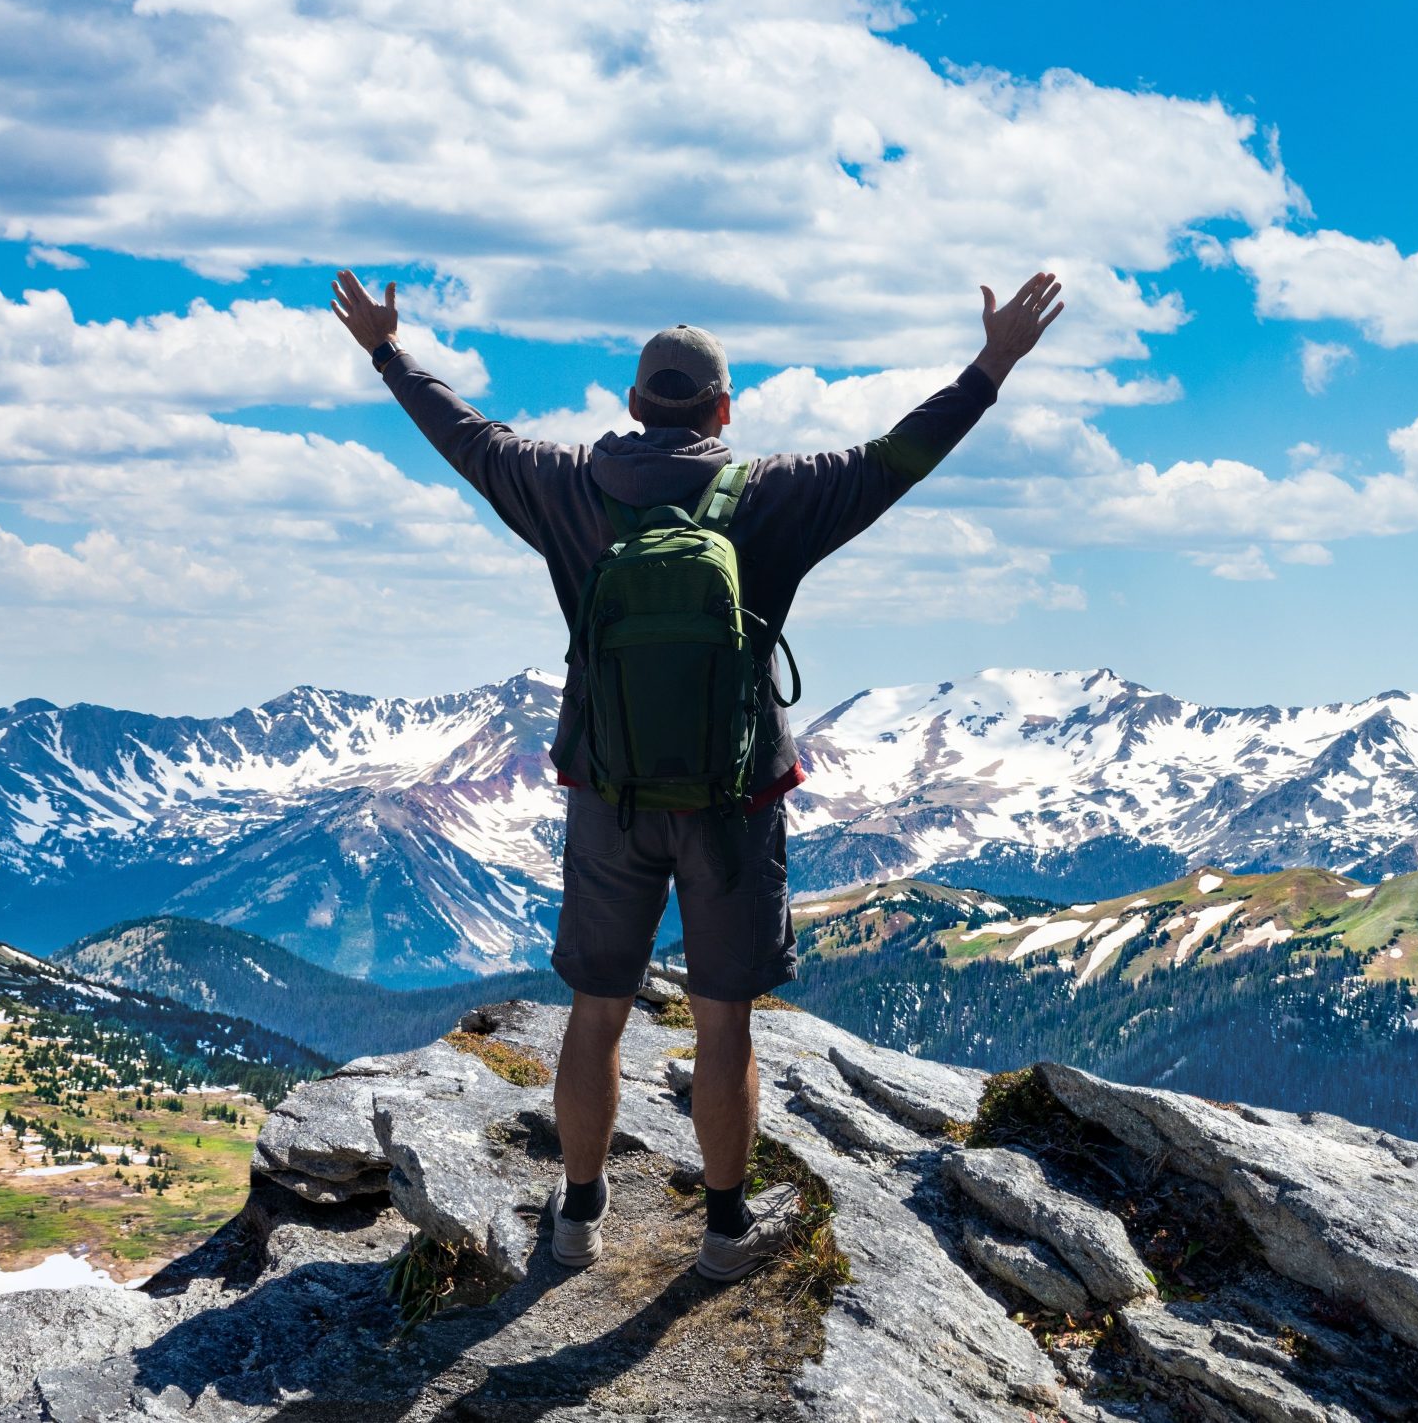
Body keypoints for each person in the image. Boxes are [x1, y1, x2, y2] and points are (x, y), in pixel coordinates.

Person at [328, 267, 1063, 1280]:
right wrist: (991, 366)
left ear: (633, 402)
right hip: (734, 801)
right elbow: (896, 457)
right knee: (724, 1023)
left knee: (597, 1013)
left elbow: (467, 436)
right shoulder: (777, 495)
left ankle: (578, 1215)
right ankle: (723, 1231)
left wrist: (386, 351)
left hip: (610, 796)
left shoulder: (564, 484)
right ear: (723, 409)